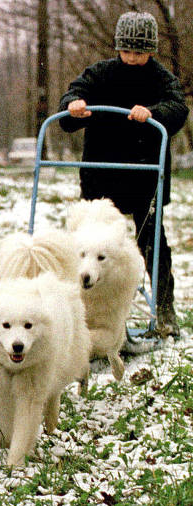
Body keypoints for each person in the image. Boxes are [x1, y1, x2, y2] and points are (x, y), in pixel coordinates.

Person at [59, 11, 189, 338]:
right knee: (90, 245)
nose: (132, 59)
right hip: (101, 175)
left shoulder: (161, 79)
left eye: (140, 53)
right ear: (118, 48)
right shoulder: (100, 73)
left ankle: (165, 311)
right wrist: (74, 105)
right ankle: (85, 311)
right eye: (127, 51)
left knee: (152, 241)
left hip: (145, 175)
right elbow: (71, 100)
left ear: (152, 51)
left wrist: (154, 112)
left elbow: (177, 108)